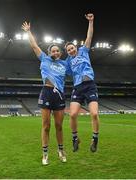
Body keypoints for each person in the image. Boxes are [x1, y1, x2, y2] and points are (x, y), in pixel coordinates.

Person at [22, 22, 67, 165]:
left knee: (59, 126)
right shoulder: (44, 59)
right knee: (46, 125)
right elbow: (34, 46)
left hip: (59, 94)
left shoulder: (65, 64)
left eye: (57, 51)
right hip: (46, 92)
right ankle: (45, 153)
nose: (55, 52)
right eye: (53, 51)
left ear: (60, 53)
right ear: (49, 53)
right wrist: (28, 31)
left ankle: (60, 150)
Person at [65, 13, 100, 152]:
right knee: (72, 114)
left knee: (94, 114)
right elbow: (59, 68)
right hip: (78, 88)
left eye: (72, 47)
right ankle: (75, 138)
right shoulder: (67, 62)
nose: (71, 50)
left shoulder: (83, 51)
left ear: (76, 47)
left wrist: (91, 22)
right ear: (67, 52)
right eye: (68, 50)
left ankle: (95, 138)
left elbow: (89, 37)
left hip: (90, 86)